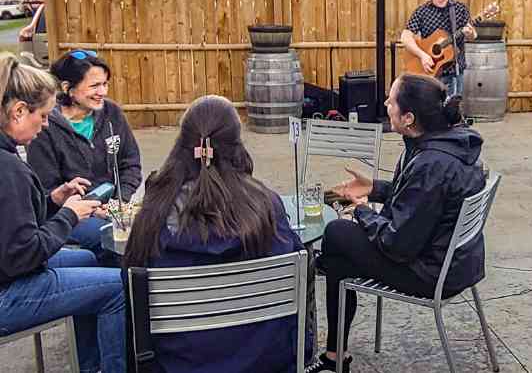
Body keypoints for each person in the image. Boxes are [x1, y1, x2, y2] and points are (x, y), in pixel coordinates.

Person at [306, 74, 487, 373]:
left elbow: (398, 244)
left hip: (432, 272)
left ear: (409, 118)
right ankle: (336, 355)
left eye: (391, 100)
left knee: (337, 234)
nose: (386, 103)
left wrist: (361, 210)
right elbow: (424, 200)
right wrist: (374, 188)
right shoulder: (447, 143)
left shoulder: (431, 163)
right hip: (457, 261)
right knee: (338, 258)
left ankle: (334, 352)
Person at [123, 95, 309, 373]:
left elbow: (133, 301)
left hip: (179, 366)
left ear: (182, 146)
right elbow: (295, 266)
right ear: (237, 146)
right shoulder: (268, 205)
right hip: (266, 363)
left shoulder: (152, 216)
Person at [0, 53, 126, 373]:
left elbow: (14, 221)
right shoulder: (8, 168)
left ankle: (89, 364)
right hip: (8, 291)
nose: (45, 125)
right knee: (119, 286)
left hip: (9, 270)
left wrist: (53, 198)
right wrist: (69, 215)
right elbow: (23, 254)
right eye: (42, 117)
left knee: (89, 259)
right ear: (17, 111)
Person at [28, 49, 142, 259]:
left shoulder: (112, 114)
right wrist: (88, 209)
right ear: (67, 88)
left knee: (147, 232)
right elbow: (45, 191)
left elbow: (131, 164)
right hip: (69, 216)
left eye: (105, 84)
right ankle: (116, 288)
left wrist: (119, 201)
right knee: (109, 239)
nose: (103, 92)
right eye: (94, 85)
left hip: (113, 208)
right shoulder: (44, 127)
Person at [400, 0, 477, 98]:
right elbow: (405, 37)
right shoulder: (422, 12)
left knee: (453, 111)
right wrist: (423, 55)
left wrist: (470, 33)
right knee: (433, 110)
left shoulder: (460, 9)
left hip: (456, 70)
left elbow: (472, 36)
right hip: (432, 71)